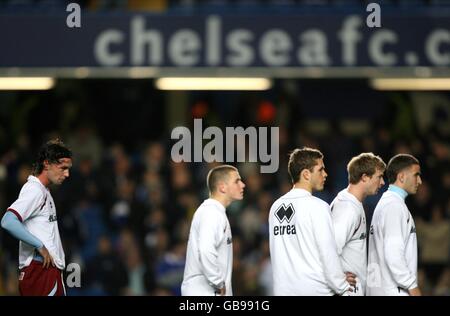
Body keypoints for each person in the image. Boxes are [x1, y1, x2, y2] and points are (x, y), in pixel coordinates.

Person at [269, 147, 355, 295]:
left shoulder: (275, 208)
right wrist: (342, 286)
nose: (325, 174)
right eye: (320, 170)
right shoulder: (318, 207)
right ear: (306, 174)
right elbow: (327, 254)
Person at [1, 139, 72, 296]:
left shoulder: (43, 191)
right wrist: (39, 245)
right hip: (41, 272)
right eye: (63, 168)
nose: (67, 174)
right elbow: (8, 221)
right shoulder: (35, 190)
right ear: (47, 164)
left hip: (46, 272)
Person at [181, 165, 245, 296]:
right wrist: (218, 282)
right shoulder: (211, 213)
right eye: (237, 181)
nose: (243, 185)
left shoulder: (215, 212)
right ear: (222, 187)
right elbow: (205, 250)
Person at [330, 153, 386, 296]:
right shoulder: (348, 209)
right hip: (345, 290)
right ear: (364, 177)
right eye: (379, 177)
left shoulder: (350, 201)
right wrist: (337, 278)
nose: (382, 182)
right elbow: (329, 248)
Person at [367, 154, 422, 296]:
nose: (420, 181)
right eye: (416, 175)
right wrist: (413, 287)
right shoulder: (394, 207)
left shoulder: (388, 204)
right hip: (393, 291)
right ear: (402, 177)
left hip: (382, 289)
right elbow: (393, 253)